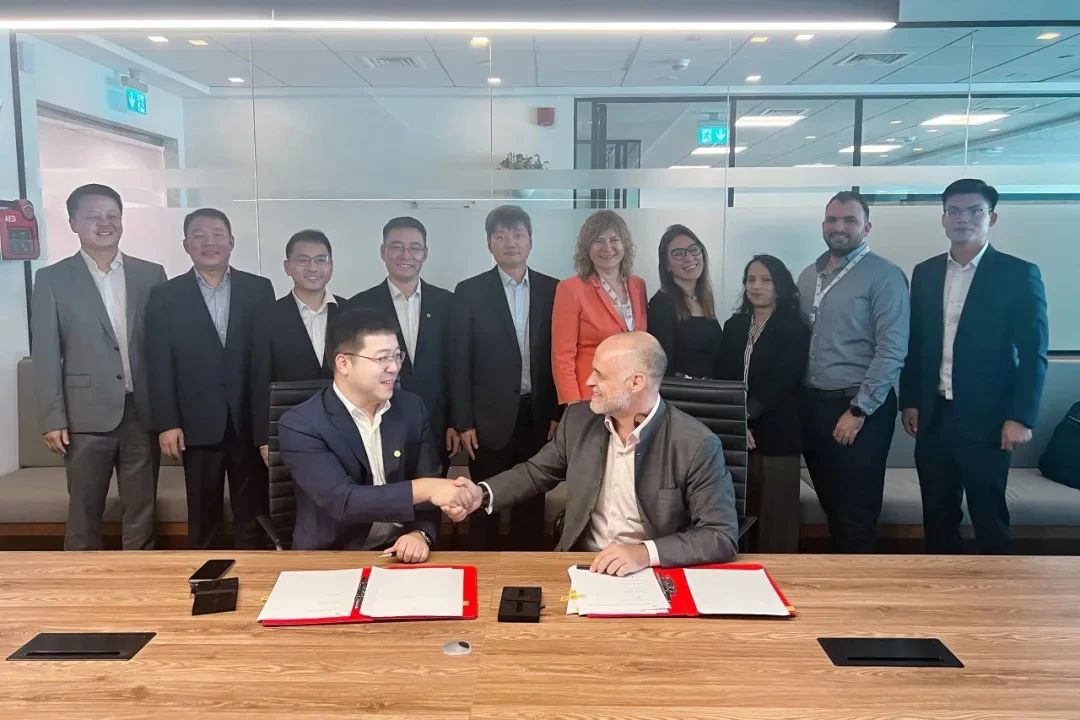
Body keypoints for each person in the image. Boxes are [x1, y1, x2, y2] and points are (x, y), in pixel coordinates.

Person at [438, 332, 739, 575]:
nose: (588, 382)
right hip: (582, 565)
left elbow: (720, 535)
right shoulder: (579, 420)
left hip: (653, 572)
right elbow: (535, 472)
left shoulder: (696, 444)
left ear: (636, 382)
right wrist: (481, 494)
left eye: (600, 375)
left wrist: (643, 553)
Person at [900, 179, 1048, 555]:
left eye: (973, 211)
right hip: (934, 416)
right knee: (937, 514)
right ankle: (942, 586)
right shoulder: (926, 273)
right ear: (943, 218)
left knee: (988, 515)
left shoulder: (1017, 273)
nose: (962, 218)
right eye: (953, 210)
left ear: (991, 217)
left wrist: (1022, 417)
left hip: (989, 420)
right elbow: (917, 342)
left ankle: (996, 588)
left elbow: (1034, 352)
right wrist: (910, 400)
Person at [30, 183, 166, 550]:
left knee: (142, 508)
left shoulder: (151, 275)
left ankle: (137, 576)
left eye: (112, 215)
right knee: (84, 511)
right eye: (93, 216)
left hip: (141, 412)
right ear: (73, 223)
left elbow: (162, 348)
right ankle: (81, 577)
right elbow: (45, 353)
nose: (104, 223)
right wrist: (52, 417)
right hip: (83, 417)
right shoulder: (52, 279)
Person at [278, 308, 474, 554]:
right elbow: (344, 501)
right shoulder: (301, 424)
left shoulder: (412, 408)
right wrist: (428, 488)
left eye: (397, 356)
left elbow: (429, 493)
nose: (394, 367)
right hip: (333, 553)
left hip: (397, 551)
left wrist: (419, 534)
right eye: (382, 359)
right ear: (343, 363)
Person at [146, 208, 275, 549]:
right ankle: (205, 574)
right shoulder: (165, 296)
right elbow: (158, 363)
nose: (209, 242)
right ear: (186, 244)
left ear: (231, 241)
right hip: (196, 424)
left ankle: (255, 573)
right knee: (203, 515)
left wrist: (266, 428)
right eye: (199, 236)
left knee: (254, 513)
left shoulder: (259, 289)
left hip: (248, 424)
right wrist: (167, 423)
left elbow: (266, 363)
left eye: (217, 234)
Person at [796, 191, 909, 553]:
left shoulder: (885, 276)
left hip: (858, 410)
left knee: (856, 512)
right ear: (823, 225)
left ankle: (860, 585)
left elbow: (892, 349)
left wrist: (859, 410)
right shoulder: (808, 276)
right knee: (831, 505)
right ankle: (837, 579)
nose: (839, 227)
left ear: (867, 227)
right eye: (832, 219)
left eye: (849, 220)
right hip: (814, 407)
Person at [449, 206, 560, 550]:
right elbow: (459, 360)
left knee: (532, 500)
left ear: (530, 241)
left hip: (538, 416)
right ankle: (482, 571)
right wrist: (463, 421)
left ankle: (526, 570)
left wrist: (558, 413)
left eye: (518, 234)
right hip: (487, 420)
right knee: (483, 503)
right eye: (500, 235)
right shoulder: (469, 292)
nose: (510, 242)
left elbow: (560, 356)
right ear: (489, 244)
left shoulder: (554, 290)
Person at [716, 254, 810, 552]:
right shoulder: (734, 325)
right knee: (739, 511)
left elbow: (785, 380)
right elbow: (723, 375)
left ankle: (780, 575)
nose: (756, 286)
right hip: (737, 434)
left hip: (778, 432)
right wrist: (736, 420)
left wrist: (747, 414)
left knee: (776, 517)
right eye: (751, 279)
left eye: (766, 280)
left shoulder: (795, 328)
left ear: (779, 286)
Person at [349, 217, 457, 471]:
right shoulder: (359, 306)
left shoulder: (449, 303)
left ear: (425, 253)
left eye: (414, 248)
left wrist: (457, 421)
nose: (406, 255)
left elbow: (457, 366)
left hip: (437, 422)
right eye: (396, 247)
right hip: (378, 420)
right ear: (383, 252)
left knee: (433, 489)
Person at [251, 229, 345, 463]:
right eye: (303, 260)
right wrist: (264, 438)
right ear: (287, 266)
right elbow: (259, 380)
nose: (313, 267)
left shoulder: (350, 312)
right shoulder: (267, 317)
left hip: (346, 429)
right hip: (289, 429)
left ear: (331, 265)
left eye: (321, 260)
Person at [552, 210, 648, 405]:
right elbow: (562, 356)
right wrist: (573, 404)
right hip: (590, 396)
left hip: (631, 395)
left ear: (625, 245)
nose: (607, 248)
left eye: (614, 240)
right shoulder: (570, 289)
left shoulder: (638, 285)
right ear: (587, 247)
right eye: (598, 241)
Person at [647, 224, 723, 378]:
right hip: (682, 392)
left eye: (693, 249)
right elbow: (662, 367)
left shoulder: (703, 299)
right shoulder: (661, 305)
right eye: (678, 254)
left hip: (711, 390)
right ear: (667, 265)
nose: (689, 258)